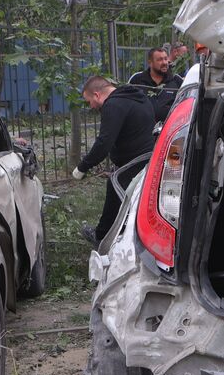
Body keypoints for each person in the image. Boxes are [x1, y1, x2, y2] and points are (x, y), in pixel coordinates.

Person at [72, 75, 158, 247]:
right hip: (149, 157)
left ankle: (102, 237)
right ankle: (124, 231)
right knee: (132, 197)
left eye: (89, 101)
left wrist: (82, 167)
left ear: (97, 94)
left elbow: (104, 143)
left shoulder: (113, 105)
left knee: (115, 185)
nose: (91, 106)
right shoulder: (137, 97)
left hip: (136, 160)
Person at [128, 46, 183, 118]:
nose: (164, 62)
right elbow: (127, 103)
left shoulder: (176, 80)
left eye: (165, 59)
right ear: (150, 62)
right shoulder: (137, 79)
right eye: (159, 60)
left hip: (170, 127)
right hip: (143, 127)